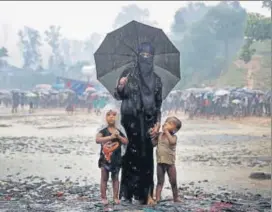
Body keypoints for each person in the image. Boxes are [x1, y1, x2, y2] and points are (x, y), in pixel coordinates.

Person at [114, 42, 162, 205]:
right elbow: (118, 95)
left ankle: (145, 194)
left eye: (149, 56)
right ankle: (126, 194)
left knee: (146, 158)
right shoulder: (128, 73)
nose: (145, 59)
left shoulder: (156, 80)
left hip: (147, 124)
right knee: (128, 157)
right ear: (138, 56)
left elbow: (158, 105)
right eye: (143, 55)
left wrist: (158, 125)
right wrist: (121, 85)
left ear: (153, 58)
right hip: (129, 123)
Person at [96, 107, 128, 205]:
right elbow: (97, 140)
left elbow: (126, 141)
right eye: (108, 115)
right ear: (104, 117)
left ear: (117, 117)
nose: (111, 117)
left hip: (116, 159)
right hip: (105, 159)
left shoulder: (119, 129)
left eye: (114, 115)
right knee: (104, 178)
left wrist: (118, 136)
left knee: (115, 178)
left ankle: (115, 197)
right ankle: (103, 197)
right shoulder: (103, 129)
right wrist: (110, 137)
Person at [152, 116, 182, 203]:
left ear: (175, 129)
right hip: (160, 162)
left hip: (170, 164)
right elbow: (153, 144)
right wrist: (155, 133)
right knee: (160, 182)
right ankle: (157, 198)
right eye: (166, 122)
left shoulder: (174, 137)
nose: (165, 124)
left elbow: (172, 142)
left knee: (173, 182)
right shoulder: (160, 135)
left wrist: (166, 132)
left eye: (169, 123)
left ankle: (176, 198)